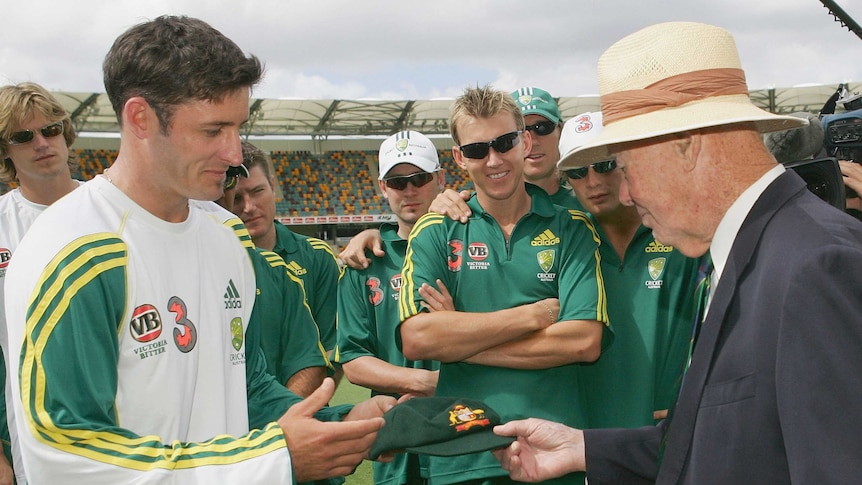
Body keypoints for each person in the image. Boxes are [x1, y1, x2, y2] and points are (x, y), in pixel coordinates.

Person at [3, 16, 393, 484]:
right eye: (213, 131)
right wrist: (271, 462)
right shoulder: (73, 248)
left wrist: (338, 426)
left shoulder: (226, 234)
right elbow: (64, 450)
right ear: (141, 118)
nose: (234, 154)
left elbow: (245, 388)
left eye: (238, 127)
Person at [492, 21, 862, 484]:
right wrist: (581, 446)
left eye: (624, 166)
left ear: (686, 145)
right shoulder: (755, 252)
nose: (624, 193)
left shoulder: (816, 265)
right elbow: (723, 440)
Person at [398, 85, 609, 485]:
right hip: (462, 453)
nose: (493, 160)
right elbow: (419, 338)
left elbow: (582, 341)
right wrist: (535, 315)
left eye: (505, 142)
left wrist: (460, 338)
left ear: (524, 141)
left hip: (554, 451)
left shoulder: (572, 227)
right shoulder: (435, 228)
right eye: (477, 150)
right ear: (459, 157)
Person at [559, 112, 700, 427]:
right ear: (566, 180)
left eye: (606, 165)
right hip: (581, 445)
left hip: (670, 434)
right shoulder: (559, 244)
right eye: (578, 171)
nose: (594, 181)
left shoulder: (683, 233)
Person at [335, 130, 442, 485]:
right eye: (398, 182)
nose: (409, 190)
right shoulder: (365, 264)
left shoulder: (470, 243)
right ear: (383, 187)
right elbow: (353, 360)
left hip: (464, 436)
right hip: (397, 446)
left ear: (440, 179)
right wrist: (425, 382)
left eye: (420, 178)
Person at [0, 81, 83, 485]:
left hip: (130, 413)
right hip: (35, 429)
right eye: (22, 136)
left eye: (50, 130)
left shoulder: (118, 211)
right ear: (5, 150)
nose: (42, 142)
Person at [215, 143, 329, 398]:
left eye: (257, 192)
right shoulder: (207, 266)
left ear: (273, 186)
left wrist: (285, 417)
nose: (248, 207)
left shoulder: (316, 258)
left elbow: (329, 352)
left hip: (298, 416)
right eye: (238, 196)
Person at [511, 86, 581, 210]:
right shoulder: (486, 210)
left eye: (543, 128)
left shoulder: (590, 200)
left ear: (560, 132)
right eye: (520, 132)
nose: (532, 142)